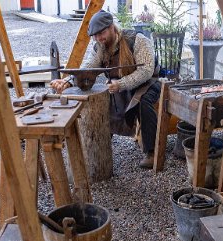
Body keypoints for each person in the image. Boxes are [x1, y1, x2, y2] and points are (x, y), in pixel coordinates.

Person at [50, 10, 161, 168]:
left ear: (112, 27)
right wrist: (68, 81)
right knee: (103, 101)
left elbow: (146, 71)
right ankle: (98, 146)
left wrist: (121, 84)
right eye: (95, 36)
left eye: (101, 33)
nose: (98, 38)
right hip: (121, 84)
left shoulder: (137, 40)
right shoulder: (101, 47)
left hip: (148, 83)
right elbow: (88, 68)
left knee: (144, 102)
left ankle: (152, 152)